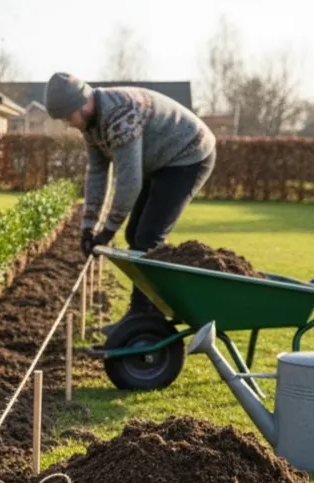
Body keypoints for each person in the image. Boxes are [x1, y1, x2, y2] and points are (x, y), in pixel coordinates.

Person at [45, 72, 216, 323]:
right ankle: (143, 311)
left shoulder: (120, 115)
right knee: (134, 234)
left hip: (189, 154)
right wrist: (88, 227)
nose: (68, 124)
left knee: (148, 237)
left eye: (67, 117)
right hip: (161, 162)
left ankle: (144, 314)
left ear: (81, 104)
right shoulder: (91, 125)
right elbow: (97, 172)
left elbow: (128, 183)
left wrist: (107, 231)